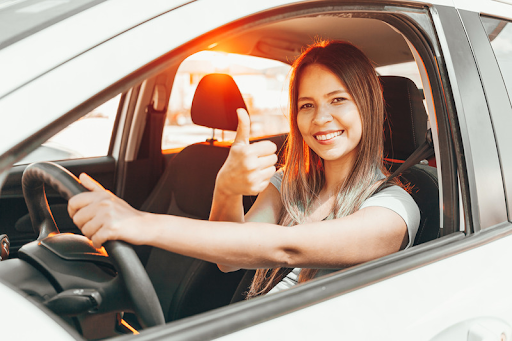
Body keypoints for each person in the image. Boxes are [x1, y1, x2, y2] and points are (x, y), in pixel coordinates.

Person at [68, 40, 420, 299]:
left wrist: (138, 223)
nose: (320, 118)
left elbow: (285, 248)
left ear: (368, 104)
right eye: (307, 105)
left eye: (338, 99)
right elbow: (230, 260)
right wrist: (227, 187)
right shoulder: (290, 185)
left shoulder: (394, 210)